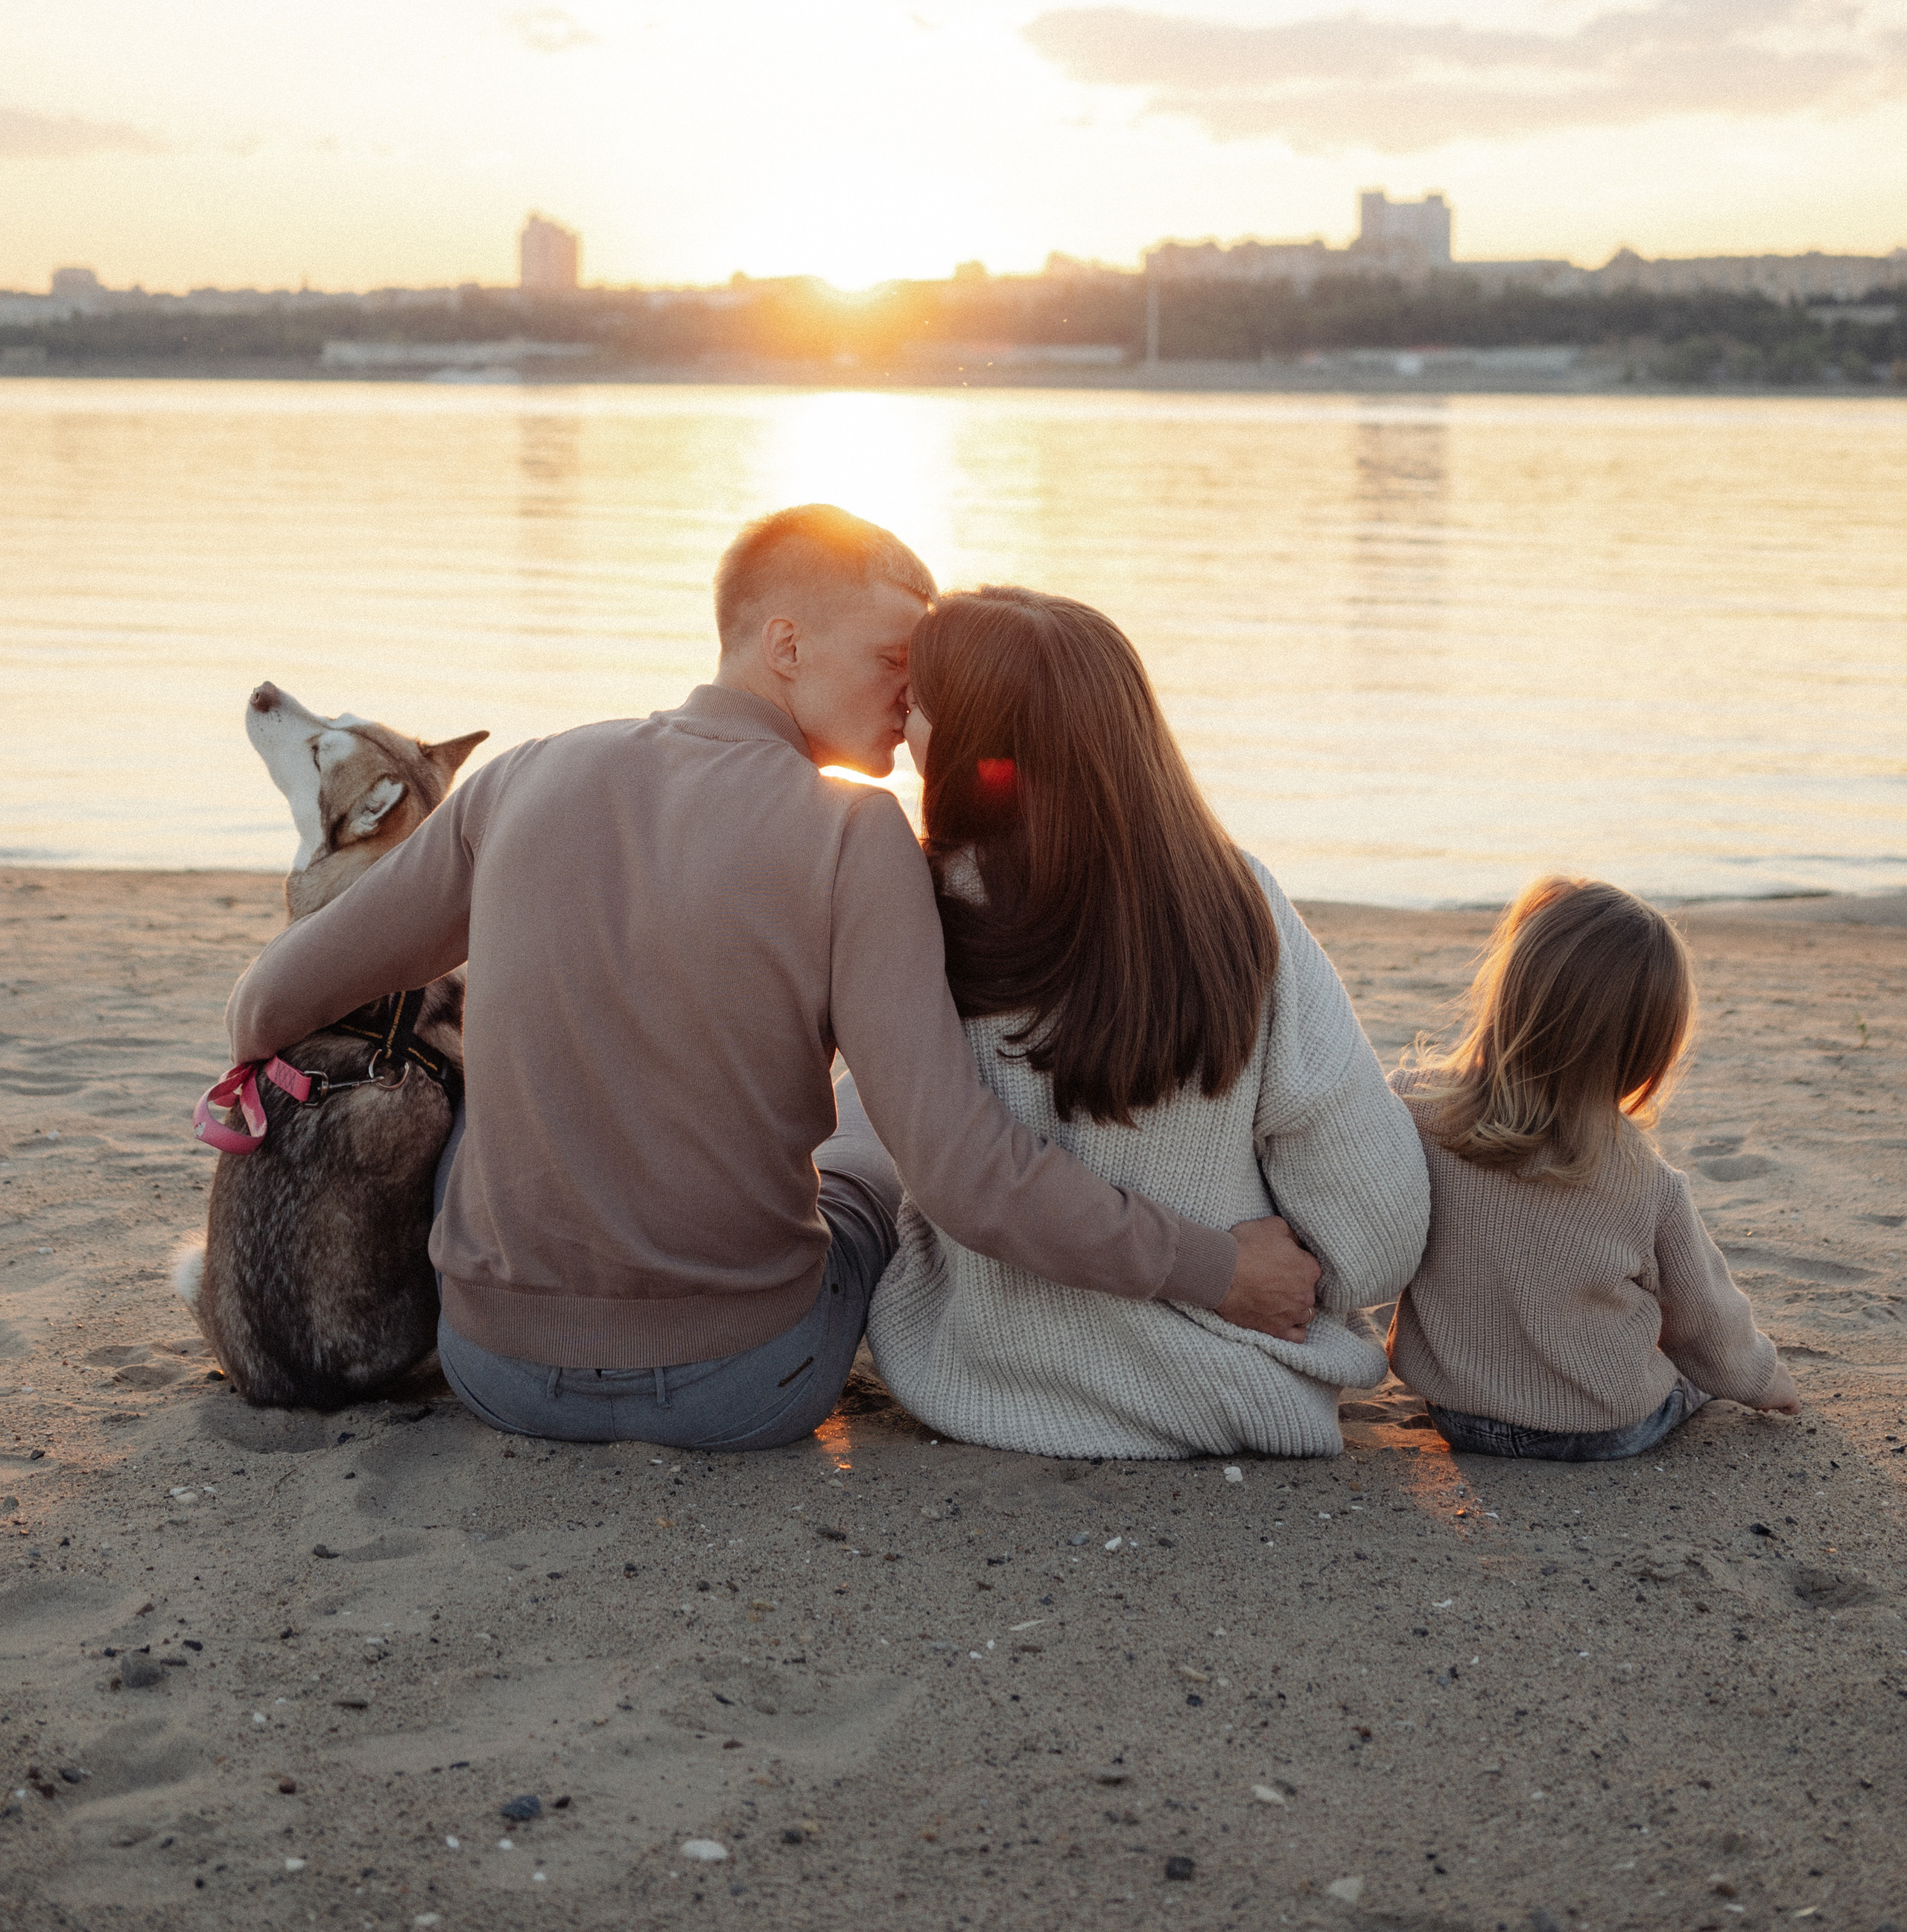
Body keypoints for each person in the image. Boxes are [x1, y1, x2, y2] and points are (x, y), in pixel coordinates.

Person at [221, 504, 1319, 1451]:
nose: (913, 696)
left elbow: (265, 1008)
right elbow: (964, 1177)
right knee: (871, 1145)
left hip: (497, 1368)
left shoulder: (521, 780)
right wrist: (1218, 1268)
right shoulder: (857, 834)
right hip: (744, 1382)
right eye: (895, 660)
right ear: (785, 643)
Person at [865, 585, 1430, 1460]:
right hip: (1234, 1388)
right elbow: (1375, 1214)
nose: (904, 730)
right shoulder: (1235, 901)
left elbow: (939, 1162)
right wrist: (1301, 1275)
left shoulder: (917, 908)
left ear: (977, 746)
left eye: (920, 709)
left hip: (987, 1381)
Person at [1386, 875, 1798, 1460]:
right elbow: (1705, 1320)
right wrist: (1762, 1380)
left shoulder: (1412, 1108)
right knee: (1693, 1377)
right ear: (1645, 1052)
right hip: (1601, 1426)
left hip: (1459, 1414)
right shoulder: (1646, 1182)